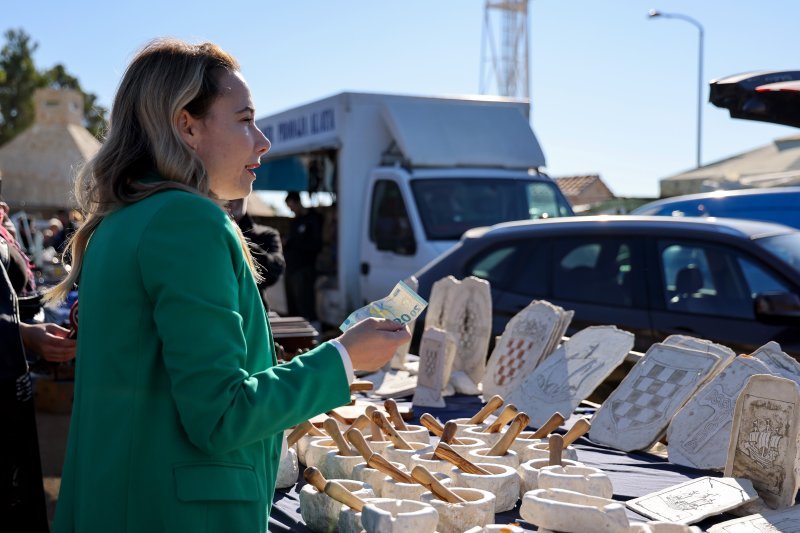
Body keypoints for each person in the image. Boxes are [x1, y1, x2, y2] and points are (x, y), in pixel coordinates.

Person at [44, 39, 409, 532]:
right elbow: (220, 416)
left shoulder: (120, 222)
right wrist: (344, 358)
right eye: (244, 119)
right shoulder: (187, 220)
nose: (263, 141)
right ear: (186, 125)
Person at [0, 188, 76, 532]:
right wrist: (26, 334)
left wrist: (30, 326)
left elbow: (15, 298)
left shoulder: (5, 224)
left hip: (12, 383)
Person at [228, 195, 284, 310]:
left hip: (253, 311)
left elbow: (275, 270)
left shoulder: (267, 234)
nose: (232, 197)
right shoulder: (208, 232)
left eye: (239, 193)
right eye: (227, 192)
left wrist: (240, 241)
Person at [283, 191, 323, 320]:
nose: (291, 210)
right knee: (293, 307)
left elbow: (315, 245)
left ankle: (312, 335)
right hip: (291, 268)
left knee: (305, 305)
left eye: (292, 206)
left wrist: (293, 242)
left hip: (304, 269)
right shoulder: (295, 222)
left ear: (297, 203)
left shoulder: (313, 219)